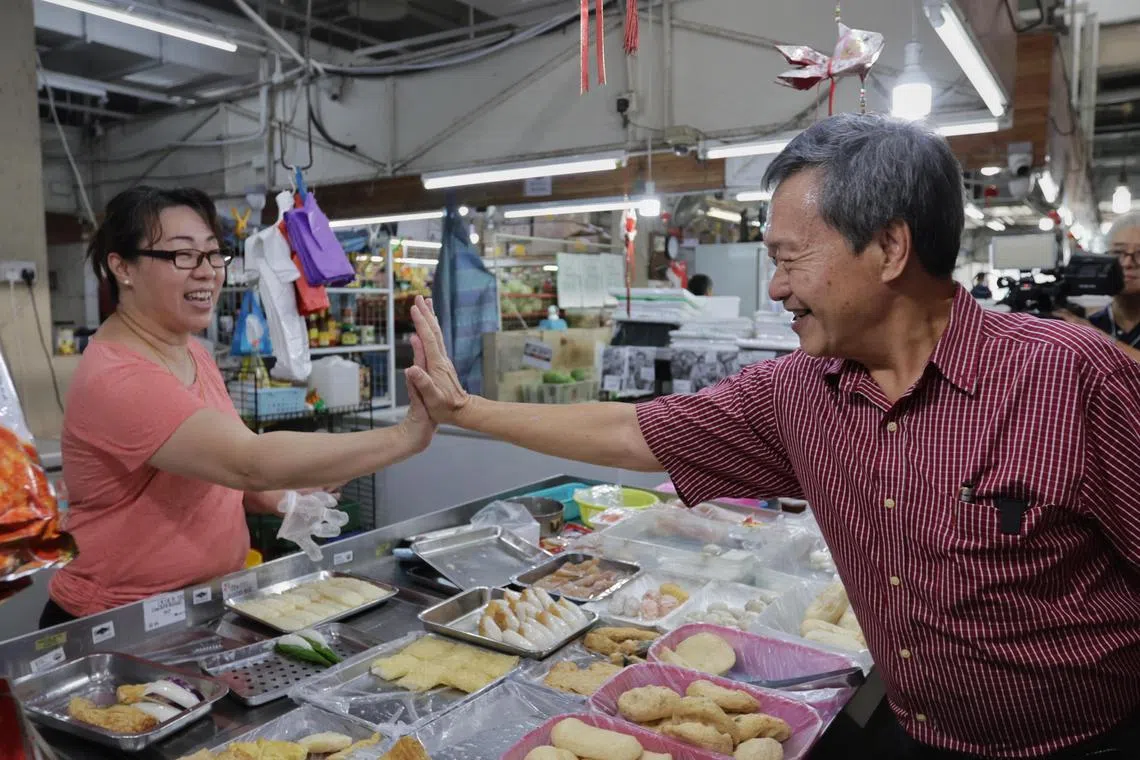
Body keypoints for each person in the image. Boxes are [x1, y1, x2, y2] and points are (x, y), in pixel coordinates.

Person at [406, 114, 1140, 759]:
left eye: (790, 259)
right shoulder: (799, 392)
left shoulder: (1074, 380)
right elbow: (634, 429)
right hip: (916, 729)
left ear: (888, 248)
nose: (777, 289)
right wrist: (466, 411)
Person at [45, 187, 436, 627]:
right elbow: (248, 461)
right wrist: (405, 436)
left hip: (198, 605)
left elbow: (221, 467)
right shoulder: (119, 377)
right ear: (122, 267)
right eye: (183, 256)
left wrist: (283, 498)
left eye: (214, 255)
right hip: (121, 621)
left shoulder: (192, 353)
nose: (208, 273)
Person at [1087, 213, 1140, 360]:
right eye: (1117, 253)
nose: (1126, 263)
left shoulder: (1088, 330)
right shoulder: (1092, 322)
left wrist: (1095, 337)